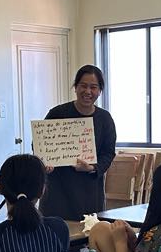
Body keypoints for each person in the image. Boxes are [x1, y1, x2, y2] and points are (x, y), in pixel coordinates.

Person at [39, 65, 117, 221]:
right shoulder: (57, 113)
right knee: (54, 238)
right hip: (57, 192)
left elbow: (108, 153)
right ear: (75, 87)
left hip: (89, 193)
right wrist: (44, 161)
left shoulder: (105, 119)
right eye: (83, 86)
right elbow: (40, 142)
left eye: (93, 87)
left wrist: (93, 168)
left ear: (100, 91)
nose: (88, 91)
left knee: (88, 238)